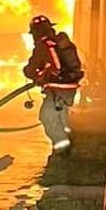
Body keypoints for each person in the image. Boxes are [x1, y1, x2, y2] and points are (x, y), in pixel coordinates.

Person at [22, 14, 83, 154]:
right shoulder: (61, 43)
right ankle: (70, 140)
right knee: (61, 115)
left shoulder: (43, 46)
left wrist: (33, 74)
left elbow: (31, 69)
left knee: (47, 116)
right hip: (71, 86)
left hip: (56, 88)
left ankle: (63, 146)